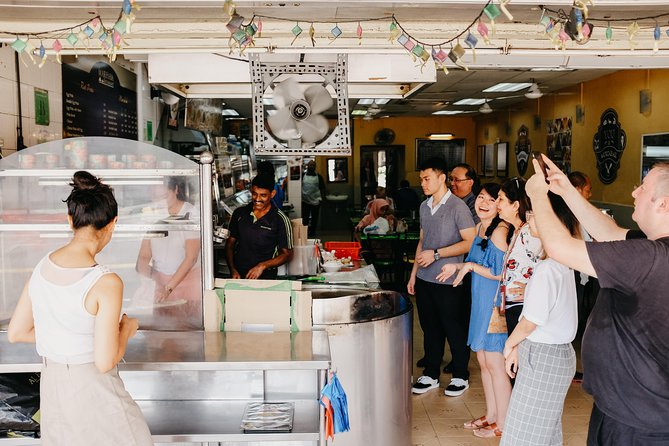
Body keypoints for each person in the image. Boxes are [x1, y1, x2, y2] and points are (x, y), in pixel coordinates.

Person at [525, 157, 669, 445]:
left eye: (642, 187)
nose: (633, 193)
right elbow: (608, 233)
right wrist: (566, 191)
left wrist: (537, 195)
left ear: (663, 204)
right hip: (624, 408)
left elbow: (558, 247)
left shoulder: (649, 258)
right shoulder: (650, 248)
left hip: (637, 421)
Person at [7, 171, 153, 446]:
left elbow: (17, 332)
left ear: (70, 220)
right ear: (113, 223)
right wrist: (127, 329)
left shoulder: (42, 266)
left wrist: (67, 336)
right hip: (95, 392)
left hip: (54, 391)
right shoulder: (105, 282)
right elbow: (104, 361)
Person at [501, 194, 580, 445]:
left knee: (523, 435)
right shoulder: (560, 261)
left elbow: (530, 322)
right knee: (545, 433)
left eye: (533, 214)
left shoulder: (548, 268)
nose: (528, 217)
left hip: (545, 356)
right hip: (554, 354)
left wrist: (510, 345)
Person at [436, 183, 512, 437]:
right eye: (481, 197)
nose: (484, 203)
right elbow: (475, 262)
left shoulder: (500, 231)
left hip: (494, 307)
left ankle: (504, 423)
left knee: (495, 364)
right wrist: (458, 267)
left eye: (492, 200)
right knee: (483, 361)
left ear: (500, 205)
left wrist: (467, 268)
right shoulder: (480, 228)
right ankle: (491, 415)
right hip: (480, 303)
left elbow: (503, 274)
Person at [407, 157, 476, 396]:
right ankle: (431, 374)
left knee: (454, 327)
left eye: (427, 179)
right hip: (426, 279)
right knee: (430, 328)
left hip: (449, 279)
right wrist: (414, 274)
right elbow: (422, 241)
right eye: (421, 180)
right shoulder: (424, 207)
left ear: (441, 178)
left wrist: (436, 254)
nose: (423, 184)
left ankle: (460, 375)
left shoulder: (458, 207)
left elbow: (470, 243)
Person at [136, 177, 201, 330]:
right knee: (162, 334)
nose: (160, 202)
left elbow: (191, 258)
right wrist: (149, 282)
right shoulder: (152, 215)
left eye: (164, 196)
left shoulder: (191, 214)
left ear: (176, 190)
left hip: (188, 283)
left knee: (186, 334)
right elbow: (144, 257)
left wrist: (168, 288)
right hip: (160, 284)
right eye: (156, 198)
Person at [496, 177, 543, 335]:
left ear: (515, 205)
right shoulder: (517, 231)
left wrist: (531, 289)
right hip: (512, 304)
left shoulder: (531, 232)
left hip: (522, 307)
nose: (497, 203)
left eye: (501, 198)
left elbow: (549, 263)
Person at [226, 174, 294, 280]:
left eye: (263, 195)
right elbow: (230, 244)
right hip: (238, 276)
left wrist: (262, 266)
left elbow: (287, 254)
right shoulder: (239, 213)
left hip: (265, 278)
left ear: (272, 194)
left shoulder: (280, 219)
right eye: (254, 194)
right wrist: (232, 269)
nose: (257, 199)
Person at [301, 160, 325, 237]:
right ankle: (306, 232)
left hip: (316, 201)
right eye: (310, 165)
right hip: (305, 201)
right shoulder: (303, 175)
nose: (312, 166)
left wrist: (322, 199)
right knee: (305, 218)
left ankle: (312, 232)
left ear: (315, 166)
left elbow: (322, 188)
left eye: (313, 165)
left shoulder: (319, 176)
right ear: (307, 166)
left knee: (315, 218)